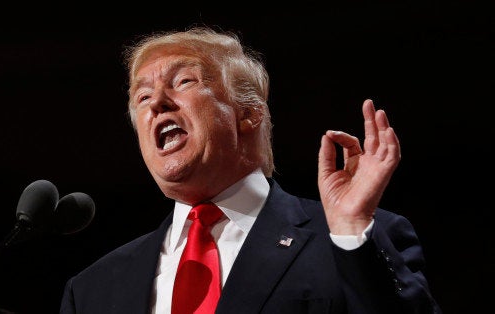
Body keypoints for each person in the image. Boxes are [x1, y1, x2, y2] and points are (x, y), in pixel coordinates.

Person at [60, 26, 441, 314]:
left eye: (184, 82)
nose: (157, 102)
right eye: (141, 97)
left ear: (248, 112)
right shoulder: (93, 291)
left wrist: (352, 230)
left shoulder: (350, 242)